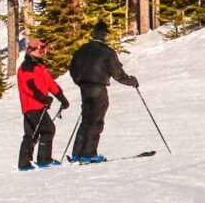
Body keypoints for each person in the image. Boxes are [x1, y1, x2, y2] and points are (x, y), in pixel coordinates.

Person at [68, 21, 140, 162]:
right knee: (96, 121)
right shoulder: (106, 51)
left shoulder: (81, 50)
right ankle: (89, 154)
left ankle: (77, 154)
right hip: (98, 88)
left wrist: (80, 81)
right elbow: (117, 73)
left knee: (86, 121)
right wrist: (131, 81)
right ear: (105, 35)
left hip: (85, 88)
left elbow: (72, 70)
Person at [17, 38, 69, 170]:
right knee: (47, 130)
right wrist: (43, 98)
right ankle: (44, 160)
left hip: (37, 105)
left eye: (44, 49)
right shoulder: (27, 67)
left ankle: (24, 163)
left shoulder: (39, 66)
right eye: (39, 49)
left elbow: (50, 83)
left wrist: (61, 98)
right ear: (31, 51)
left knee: (31, 134)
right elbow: (28, 87)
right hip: (32, 105)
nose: (42, 52)